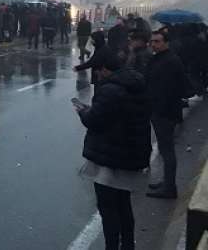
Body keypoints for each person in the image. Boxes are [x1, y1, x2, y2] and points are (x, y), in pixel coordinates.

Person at [74, 53, 151, 250]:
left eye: (98, 71)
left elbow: (95, 120)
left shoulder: (110, 90)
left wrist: (83, 111)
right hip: (131, 152)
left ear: (105, 69)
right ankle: (127, 245)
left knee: (108, 208)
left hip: (111, 156)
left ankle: (112, 246)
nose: (97, 75)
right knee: (123, 205)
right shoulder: (136, 83)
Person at [146, 30, 186, 199]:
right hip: (161, 111)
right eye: (152, 41)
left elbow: (167, 91)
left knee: (167, 150)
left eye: (158, 41)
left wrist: (157, 111)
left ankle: (170, 188)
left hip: (165, 113)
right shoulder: (161, 59)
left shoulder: (169, 61)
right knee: (164, 149)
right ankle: (167, 182)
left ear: (166, 43)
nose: (154, 44)